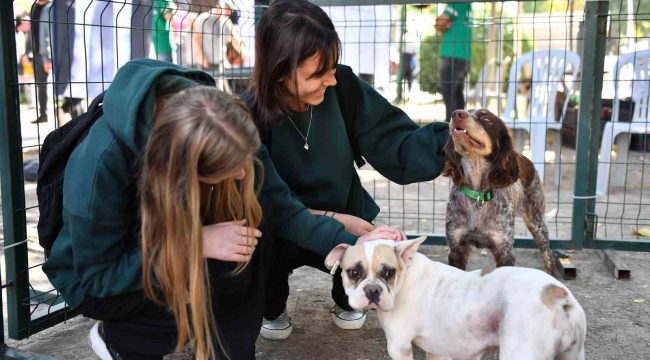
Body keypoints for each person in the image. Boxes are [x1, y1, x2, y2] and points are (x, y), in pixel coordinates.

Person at [42, 58, 401, 360]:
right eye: (230, 168)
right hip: (101, 277)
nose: (244, 172)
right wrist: (194, 242)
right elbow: (99, 276)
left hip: (172, 236)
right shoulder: (101, 164)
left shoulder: (224, 120)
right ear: (183, 168)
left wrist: (352, 246)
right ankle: (123, 340)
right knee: (198, 277)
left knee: (251, 231)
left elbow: (281, 206)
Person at [242, 0, 449, 340]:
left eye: (333, 67)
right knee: (259, 240)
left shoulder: (345, 87)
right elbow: (272, 205)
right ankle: (271, 305)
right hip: (283, 226)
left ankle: (347, 297)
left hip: (346, 215)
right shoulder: (248, 115)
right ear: (280, 71)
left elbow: (393, 139)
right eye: (316, 73)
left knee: (360, 283)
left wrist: (448, 147)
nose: (332, 80)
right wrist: (335, 221)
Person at [435, 3, 473, 122]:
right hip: (464, 56)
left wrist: (445, 24)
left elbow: (438, 24)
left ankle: (450, 126)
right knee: (457, 94)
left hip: (452, 55)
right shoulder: (467, 5)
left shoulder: (456, 3)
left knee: (449, 94)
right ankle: (460, 126)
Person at [29, 0, 52, 124]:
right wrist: (28, 51)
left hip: (49, 55)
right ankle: (43, 114)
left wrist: (47, 57)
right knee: (41, 87)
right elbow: (32, 32)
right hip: (37, 53)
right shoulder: (35, 7)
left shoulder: (51, 8)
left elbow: (48, 34)